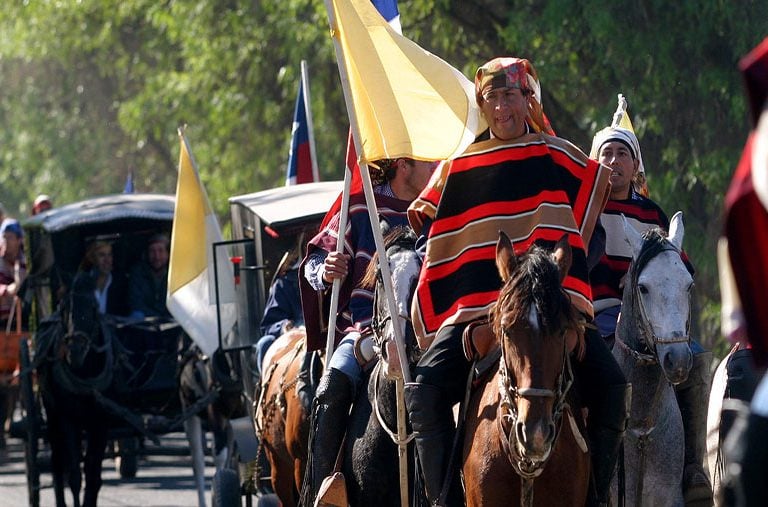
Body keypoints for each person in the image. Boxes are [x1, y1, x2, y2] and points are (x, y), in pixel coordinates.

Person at [406, 57, 630, 507]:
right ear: (482, 105)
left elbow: (589, 229)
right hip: (476, 312)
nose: (502, 107)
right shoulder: (458, 167)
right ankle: (444, 501)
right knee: (424, 392)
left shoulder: (557, 154)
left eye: (511, 95)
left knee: (612, 387)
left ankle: (596, 497)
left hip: (551, 308)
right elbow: (434, 234)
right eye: (492, 97)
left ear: (528, 100)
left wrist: (565, 283)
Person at [588, 97, 713, 504]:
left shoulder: (653, 215)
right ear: (594, 161)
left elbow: (681, 270)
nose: (614, 160)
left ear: (635, 166)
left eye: (622, 152)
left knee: (695, 363)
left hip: (653, 322)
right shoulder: (581, 210)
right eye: (606, 152)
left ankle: (694, 466)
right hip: (596, 318)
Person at [301, 156, 437, 501]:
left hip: (430, 333)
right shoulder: (361, 206)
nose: (437, 167)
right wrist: (325, 268)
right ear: (403, 165)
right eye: (428, 162)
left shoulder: (439, 207)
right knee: (333, 384)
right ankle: (322, 491)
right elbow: (314, 262)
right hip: (365, 330)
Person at [255, 235, 306, 374]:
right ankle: (264, 391)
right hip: (294, 337)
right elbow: (270, 324)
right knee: (264, 344)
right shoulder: (285, 284)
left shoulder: (337, 278)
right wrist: (285, 326)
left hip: (328, 334)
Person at [73, 240, 128, 317]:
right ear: (93, 259)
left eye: (109, 255)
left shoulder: (120, 282)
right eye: (102, 255)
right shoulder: (82, 282)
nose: (107, 260)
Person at [128, 233, 172, 320]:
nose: (157, 256)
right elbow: (136, 303)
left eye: (160, 251)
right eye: (152, 251)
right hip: (146, 322)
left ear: (167, 254)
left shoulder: (174, 274)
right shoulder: (138, 273)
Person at [0, 219, 26, 326]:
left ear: (19, 240)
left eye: (10, 237)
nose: (6, 241)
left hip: (19, 319)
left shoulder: (24, 261)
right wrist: (5, 290)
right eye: (4, 237)